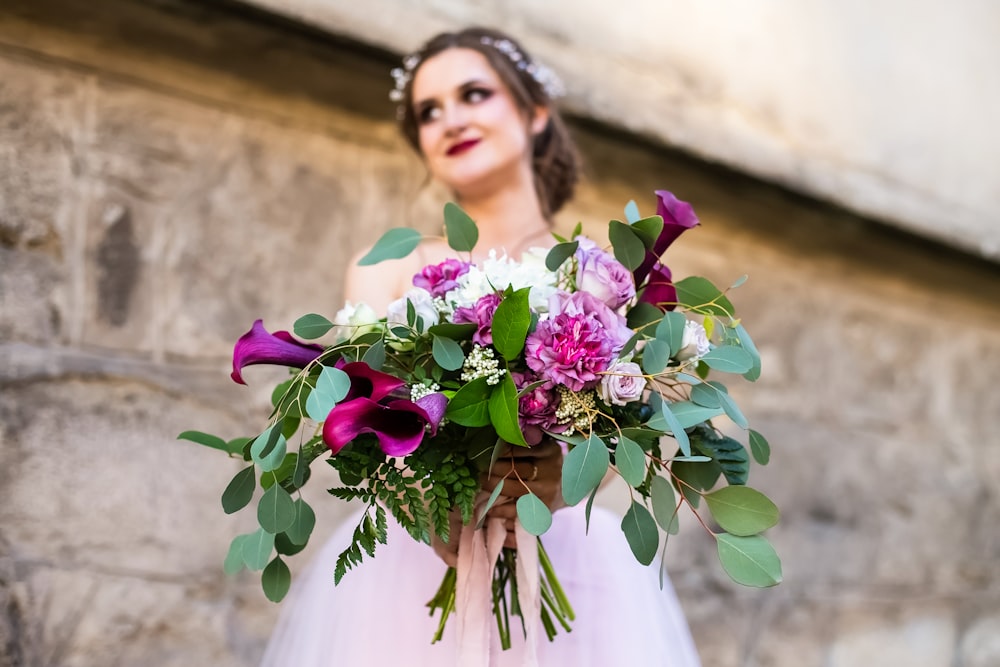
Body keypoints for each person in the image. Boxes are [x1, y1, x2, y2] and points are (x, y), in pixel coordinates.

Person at [260, 27, 701, 667]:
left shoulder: (601, 275)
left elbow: (625, 428)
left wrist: (555, 483)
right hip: (416, 559)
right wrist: (431, 500)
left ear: (535, 113)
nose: (450, 120)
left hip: (566, 552)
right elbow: (369, 413)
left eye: (474, 94)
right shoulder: (389, 266)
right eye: (428, 112)